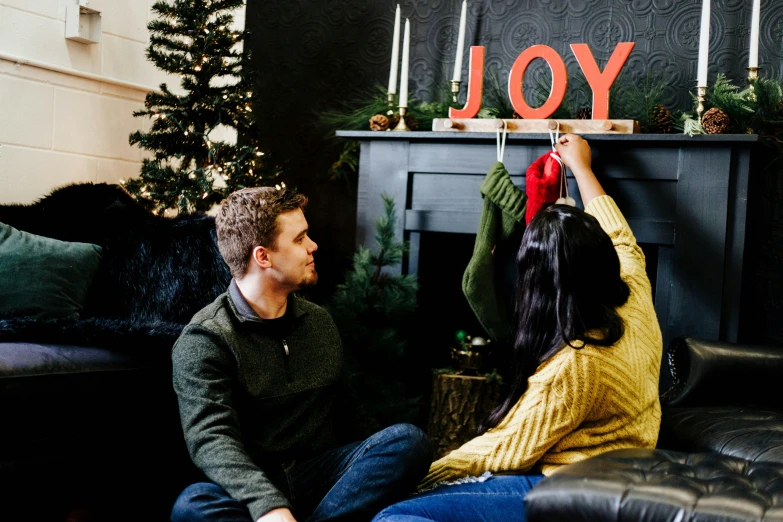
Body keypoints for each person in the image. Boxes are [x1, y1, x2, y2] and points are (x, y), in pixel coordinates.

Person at [372, 134, 663, 522]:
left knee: (394, 517)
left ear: (538, 285)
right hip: (626, 474)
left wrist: (415, 482)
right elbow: (619, 233)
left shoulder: (575, 365)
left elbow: (507, 447)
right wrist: (581, 166)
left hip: (577, 492)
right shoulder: (634, 292)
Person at [170, 187, 432, 522]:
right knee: (193, 506)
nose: (313, 246)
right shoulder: (206, 339)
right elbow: (211, 441)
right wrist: (268, 506)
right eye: (300, 239)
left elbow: (350, 414)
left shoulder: (318, 322)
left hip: (321, 478)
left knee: (407, 441)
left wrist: (387, 461)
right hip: (254, 484)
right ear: (263, 257)